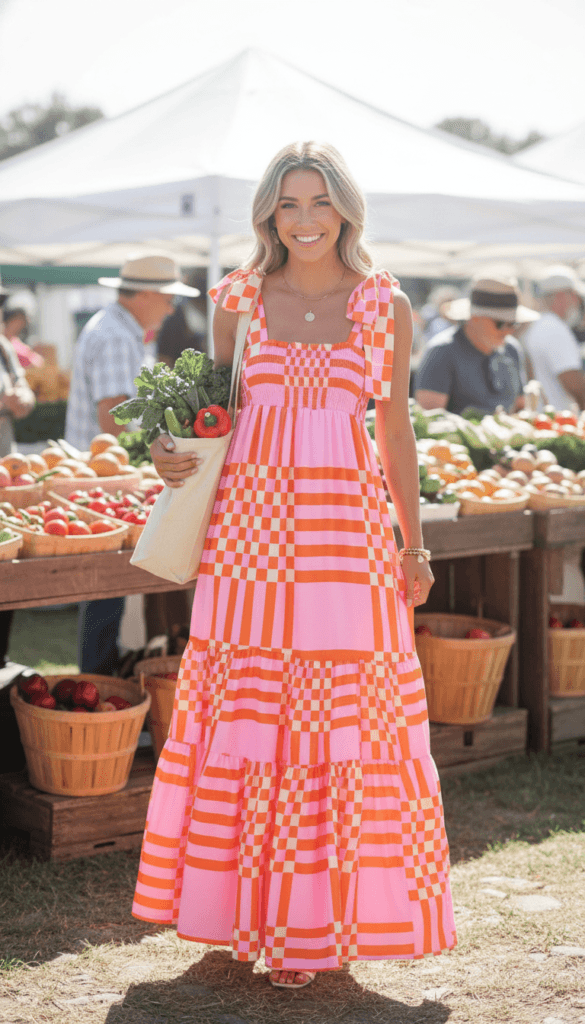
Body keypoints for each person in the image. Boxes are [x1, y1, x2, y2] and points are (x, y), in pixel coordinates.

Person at [132, 142, 456, 989]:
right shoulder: (237, 297)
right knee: (250, 720)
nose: (304, 220)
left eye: (318, 202)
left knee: (335, 720)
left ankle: (316, 923)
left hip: (346, 539)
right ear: (268, 216)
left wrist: (411, 542)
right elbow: (208, 411)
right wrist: (165, 448)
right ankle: (245, 912)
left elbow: (394, 431)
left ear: (345, 209)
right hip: (246, 538)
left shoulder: (384, 303)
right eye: (287, 205)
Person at [64, 255, 199, 674]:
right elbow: (114, 421)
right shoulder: (117, 336)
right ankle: (102, 678)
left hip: (100, 477)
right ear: (143, 294)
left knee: (107, 595)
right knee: (106, 592)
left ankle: (105, 675)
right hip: (107, 480)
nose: (171, 308)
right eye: (168, 298)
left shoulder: (113, 327)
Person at [415, 275, 538, 415]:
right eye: (501, 323)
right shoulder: (442, 352)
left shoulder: (512, 349)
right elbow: (430, 418)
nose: (509, 330)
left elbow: (520, 407)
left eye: (514, 323)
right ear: (474, 318)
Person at [0, 283, 36, 668]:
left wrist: (20, 401)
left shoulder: (4, 346)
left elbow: (25, 395)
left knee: (5, 570)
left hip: (4, 474)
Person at [522, 265, 585, 410]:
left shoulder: (539, 325)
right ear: (562, 296)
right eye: (575, 296)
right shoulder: (555, 329)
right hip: (556, 418)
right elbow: (575, 385)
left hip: (545, 417)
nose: (577, 302)